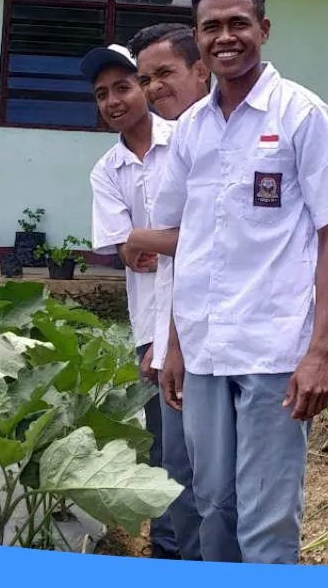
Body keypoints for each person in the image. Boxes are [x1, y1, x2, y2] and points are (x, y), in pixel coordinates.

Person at [139, 0, 328, 564]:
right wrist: (174, 343)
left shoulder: (301, 114)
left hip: (273, 349)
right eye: (211, 27)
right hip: (206, 349)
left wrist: (319, 352)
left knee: (267, 519)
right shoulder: (191, 129)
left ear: (263, 29)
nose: (225, 37)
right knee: (212, 502)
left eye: (238, 23)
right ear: (198, 37)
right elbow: (185, 242)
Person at [81, 42, 183, 560]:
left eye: (122, 87)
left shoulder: (186, 139)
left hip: (200, 320)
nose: (113, 100)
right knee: (166, 445)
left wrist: (145, 239)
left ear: (144, 87)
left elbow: (201, 235)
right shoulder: (107, 170)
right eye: (102, 94)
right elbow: (129, 253)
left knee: (205, 446)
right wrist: (147, 241)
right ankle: (167, 552)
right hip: (150, 324)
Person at [119, 22, 213, 562]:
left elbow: (214, 234)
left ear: (198, 70)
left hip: (234, 334)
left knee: (217, 474)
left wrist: (141, 237)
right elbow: (184, 246)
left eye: (163, 75)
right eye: (145, 78)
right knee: (179, 461)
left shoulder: (211, 134)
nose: (153, 88)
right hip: (179, 330)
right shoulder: (176, 143)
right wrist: (166, 344)